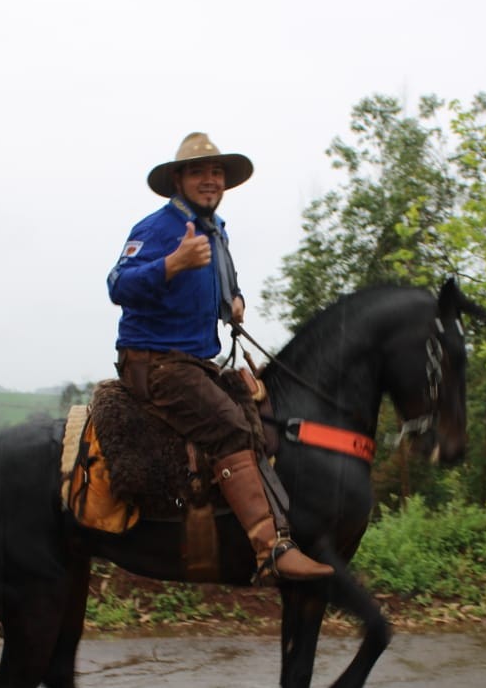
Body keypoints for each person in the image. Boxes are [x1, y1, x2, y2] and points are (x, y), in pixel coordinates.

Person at [107, 132, 332, 584]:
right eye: (198, 172)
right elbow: (118, 284)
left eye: (216, 172)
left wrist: (234, 300)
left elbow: (223, 278)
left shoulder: (215, 229)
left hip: (195, 362)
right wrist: (171, 263)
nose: (210, 180)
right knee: (229, 426)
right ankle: (270, 550)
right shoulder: (156, 229)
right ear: (178, 180)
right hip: (155, 364)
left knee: (256, 418)